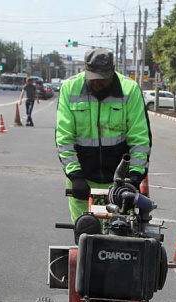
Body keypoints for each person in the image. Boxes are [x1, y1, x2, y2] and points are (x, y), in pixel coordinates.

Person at [56, 48, 152, 223]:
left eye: (103, 78)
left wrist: (134, 179)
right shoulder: (70, 89)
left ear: (113, 70)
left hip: (119, 185)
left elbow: (140, 140)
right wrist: (75, 175)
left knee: (118, 235)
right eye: (93, 78)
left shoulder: (129, 90)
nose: (98, 83)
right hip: (83, 181)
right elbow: (64, 138)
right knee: (86, 233)